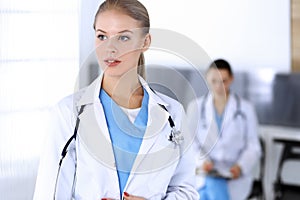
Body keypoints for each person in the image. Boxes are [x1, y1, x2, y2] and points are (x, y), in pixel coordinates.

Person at [33, 0, 198, 199]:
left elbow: (186, 191)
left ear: (145, 42)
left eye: (123, 37)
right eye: (102, 36)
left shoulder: (173, 113)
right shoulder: (69, 113)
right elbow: (49, 193)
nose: (110, 48)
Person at [187, 59, 261, 200]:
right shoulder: (195, 107)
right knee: (212, 184)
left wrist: (240, 166)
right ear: (207, 78)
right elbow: (190, 142)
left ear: (231, 79)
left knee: (205, 194)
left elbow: (253, 145)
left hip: (234, 174)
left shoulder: (246, 109)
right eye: (214, 81)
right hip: (204, 171)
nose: (218, 86)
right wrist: (203, 162)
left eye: (223, 81)